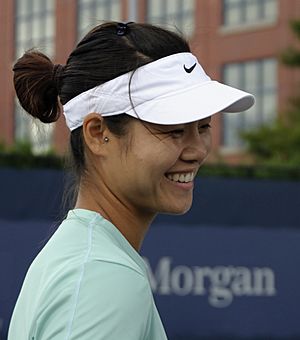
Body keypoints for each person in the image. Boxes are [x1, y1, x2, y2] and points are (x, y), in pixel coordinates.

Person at [8, 21, 254, 340]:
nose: (197, 151)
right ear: (98, 133)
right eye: (173, 129)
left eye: (203, 127)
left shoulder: (86, 260)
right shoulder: (103, 277)